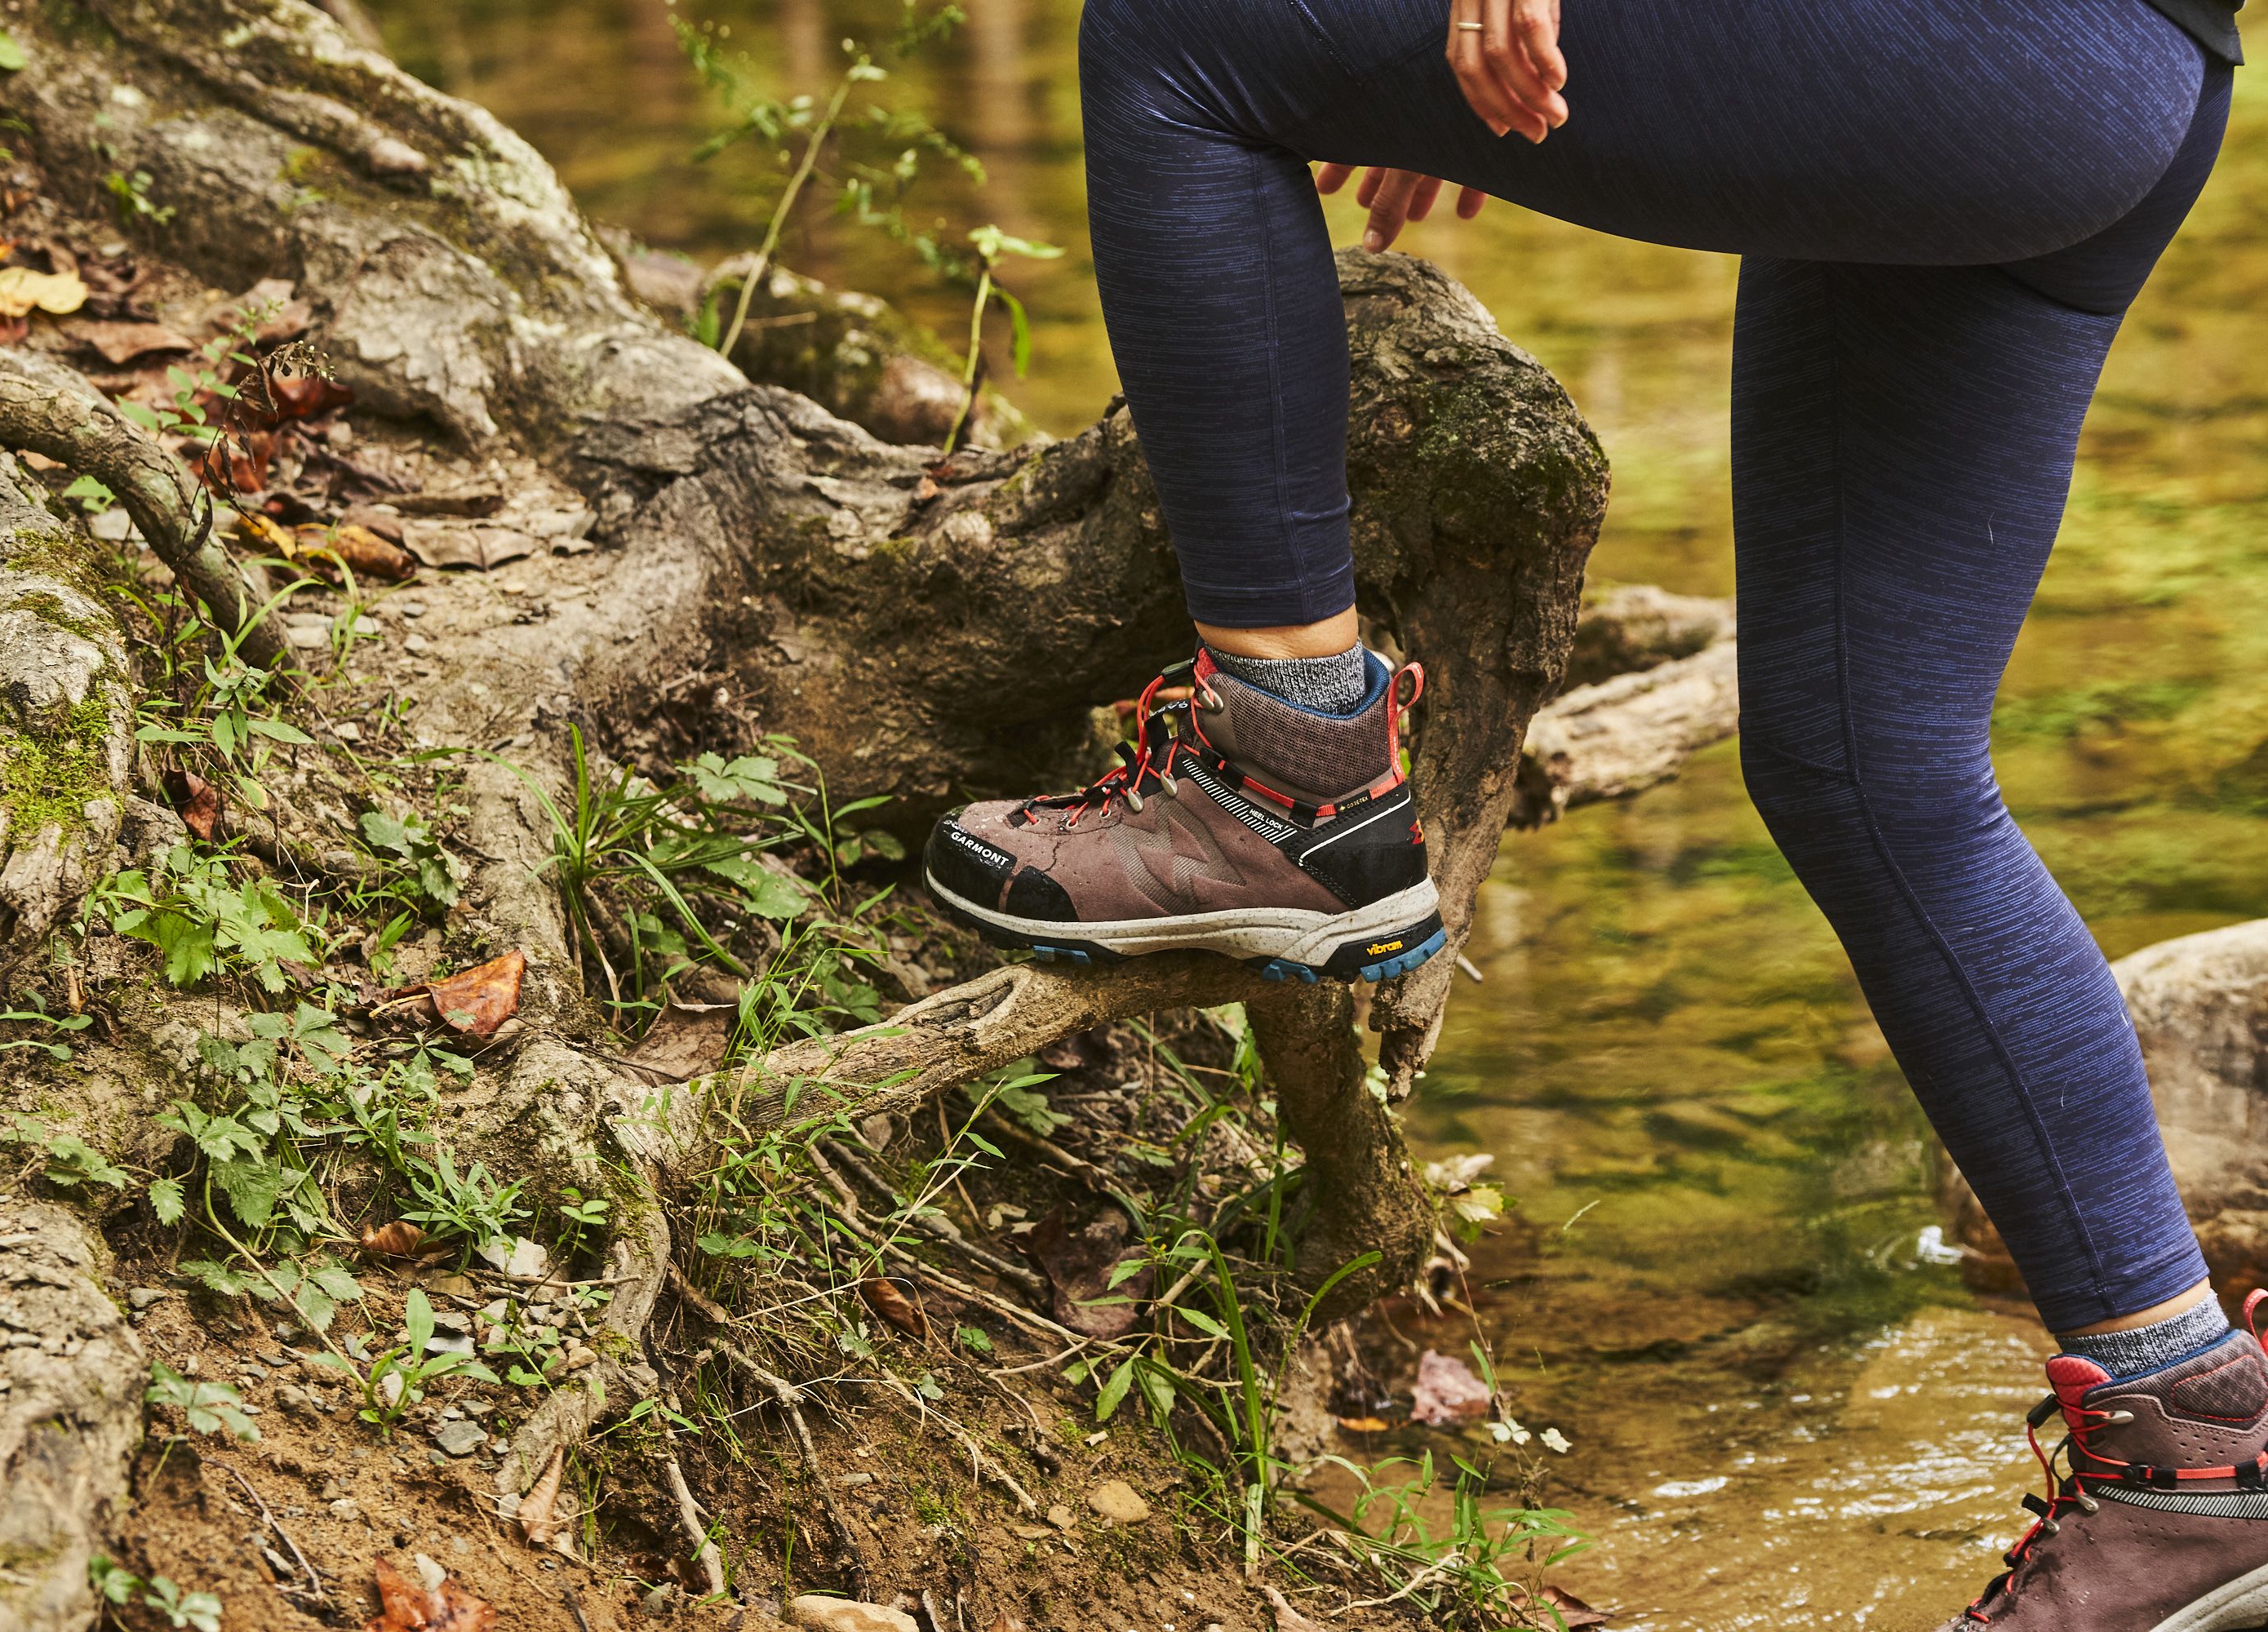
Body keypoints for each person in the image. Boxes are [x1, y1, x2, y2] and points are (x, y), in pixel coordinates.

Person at [918, 0, 2263, 1622]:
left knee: (1181, 39)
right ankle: (2195, 1451)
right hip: (2126, 90)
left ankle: (1291, 775)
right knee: (1869, 765)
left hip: (1989, 46)